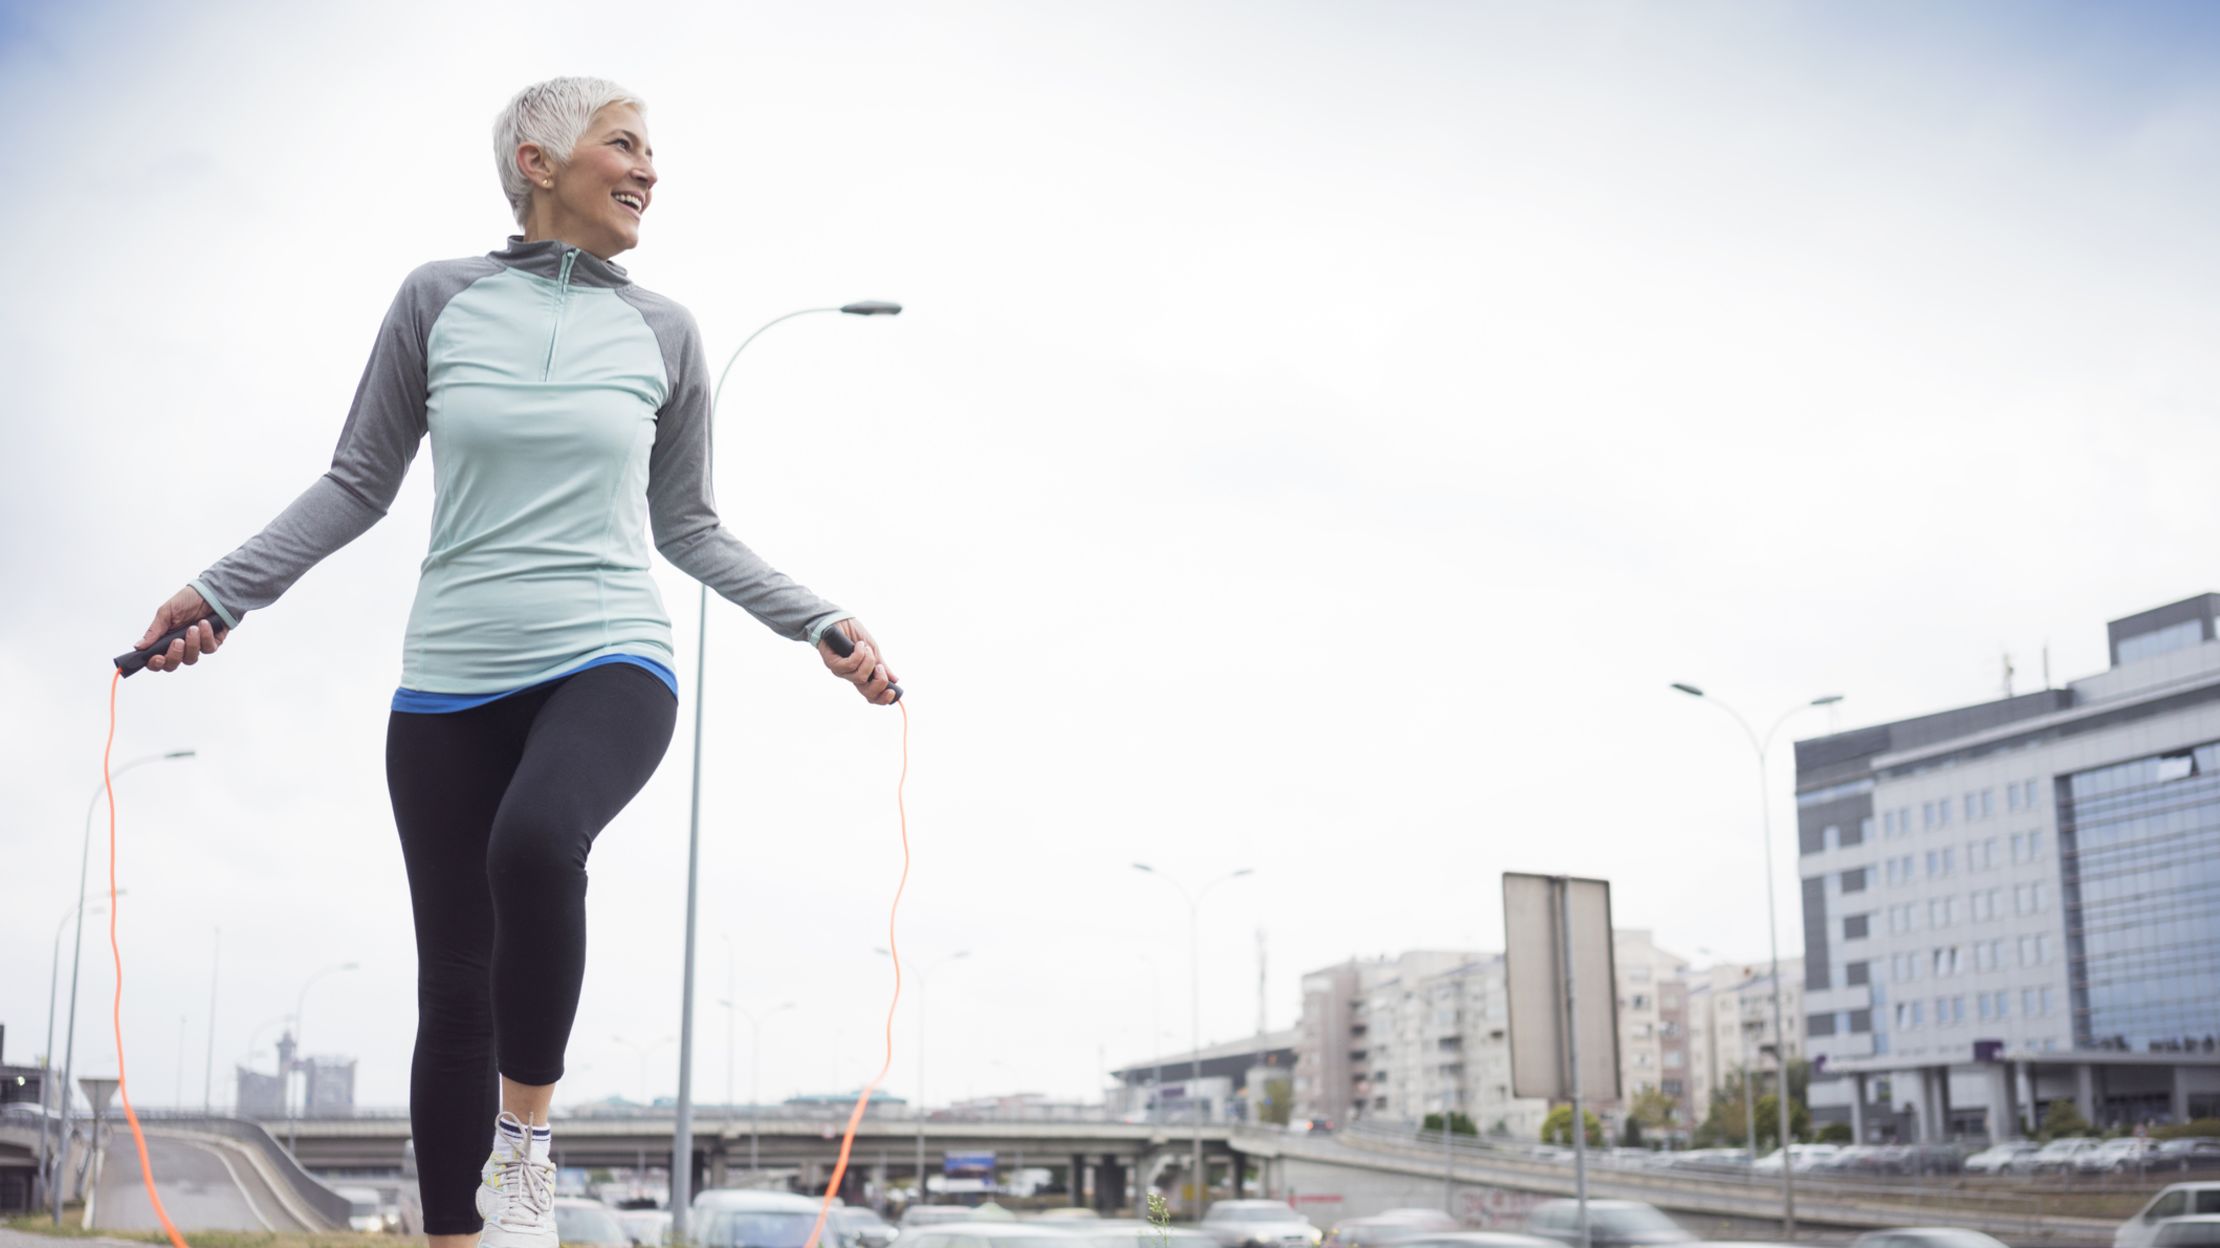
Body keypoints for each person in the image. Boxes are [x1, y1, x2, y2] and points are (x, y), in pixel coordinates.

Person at [127, 76, 898, 1248]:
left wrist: (816, 618)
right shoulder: (436, 300)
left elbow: (688, 525)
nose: (650, 170)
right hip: (447, 679)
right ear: (539, 162)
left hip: (610, 655)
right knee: (455, 986)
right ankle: (456, 1235)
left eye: (652, 152)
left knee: (535, 843)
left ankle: (526, 1145)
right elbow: (357, 482)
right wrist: (225, 589)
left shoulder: (666, 332)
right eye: (625, 145)